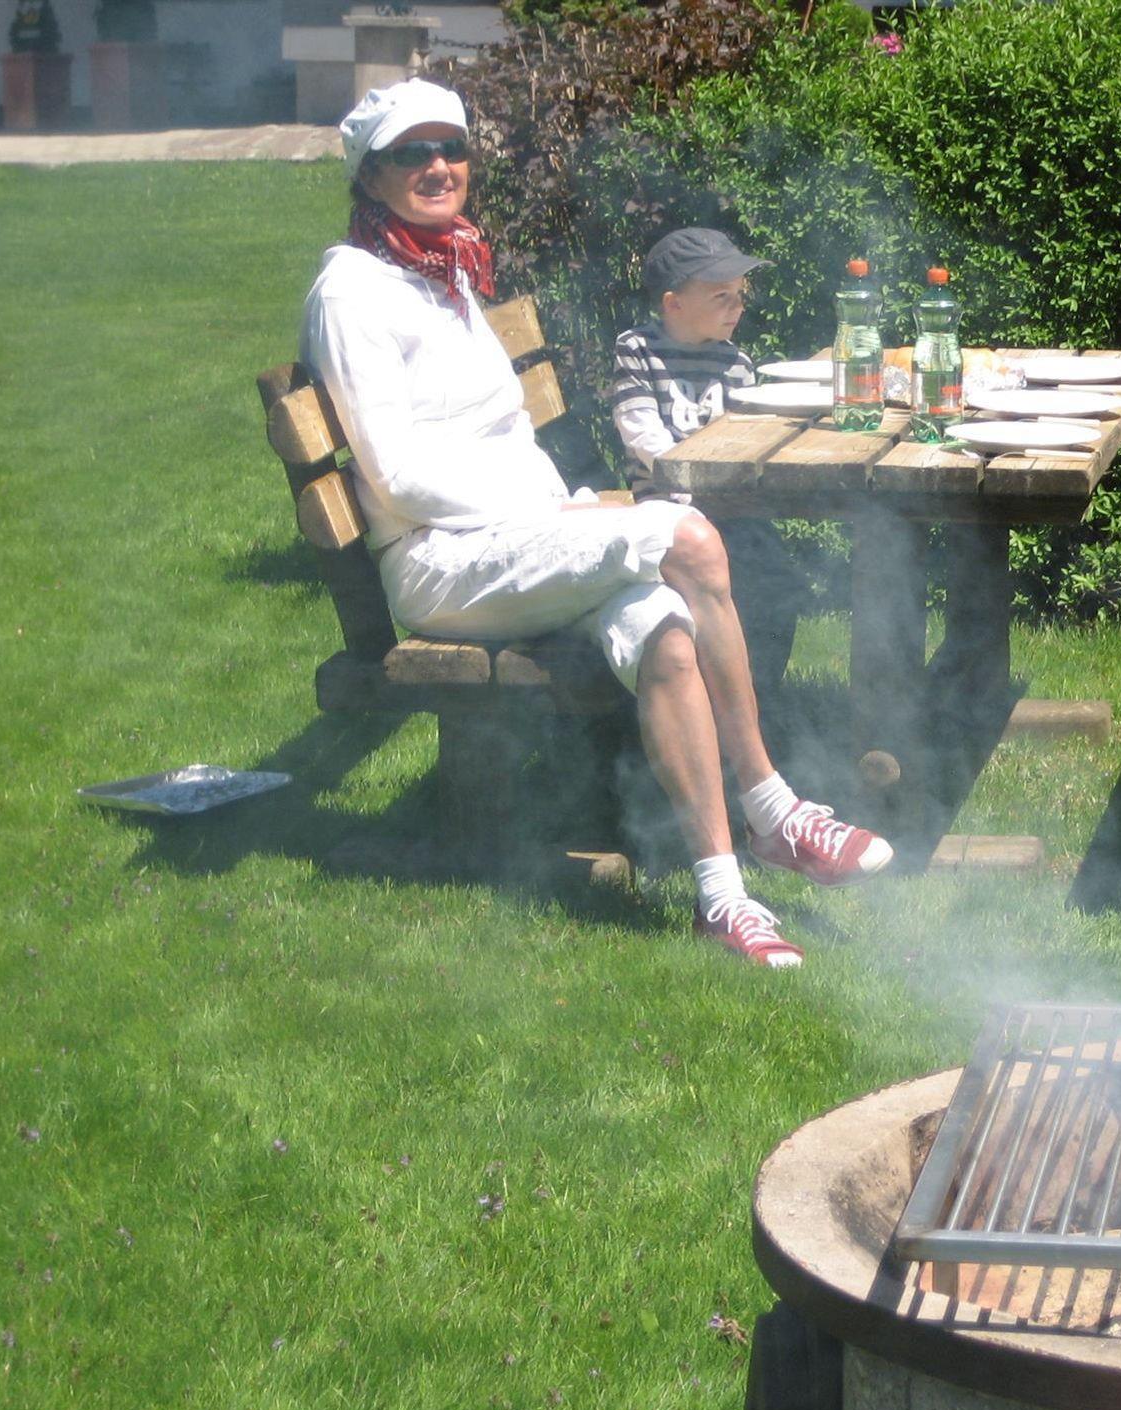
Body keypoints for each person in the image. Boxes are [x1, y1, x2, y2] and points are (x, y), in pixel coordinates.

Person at [298, 79, 890, 968]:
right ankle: (774, 810)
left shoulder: (444, 273)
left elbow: (503, 437)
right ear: (369, 174)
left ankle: (722, 897)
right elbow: (398, 478)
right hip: (440, 563)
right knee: (687, 537)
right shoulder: (353, 292)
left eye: (451, 148)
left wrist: (563, 512)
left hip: (510, 544)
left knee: (666, 630)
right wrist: (555, 516)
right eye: (412, 153)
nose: (439, 166)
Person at [609, 227, 803, 706]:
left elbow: (745, 441)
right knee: (735, 570)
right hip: (666, 510)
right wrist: (691, 489)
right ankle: (712, 702)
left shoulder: (735, 362)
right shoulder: (637, 350)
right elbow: (641, 433)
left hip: (726, 507)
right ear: (673, 303)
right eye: (721, 297)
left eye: (740, 295)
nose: (737, 307)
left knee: (778, 577)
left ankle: (758, 697)